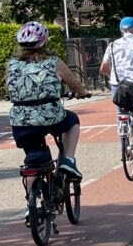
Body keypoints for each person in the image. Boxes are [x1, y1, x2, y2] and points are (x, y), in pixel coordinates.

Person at [7, 22, 87, 178]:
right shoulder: (54, 62)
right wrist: (82, 92)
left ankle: (31, 200)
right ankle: (68, 160)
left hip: (21, 121)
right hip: (50, 116)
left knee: (33, 162)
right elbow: (74, 84)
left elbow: (9, 90)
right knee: (72, 121)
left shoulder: (12, 64)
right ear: (44, 42)